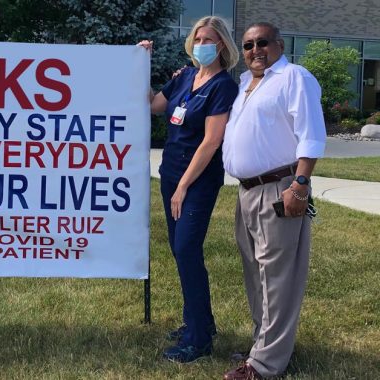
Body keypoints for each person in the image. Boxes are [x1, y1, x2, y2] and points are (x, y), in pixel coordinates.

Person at [221, 22, 326, 380]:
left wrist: (300, 185)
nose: (255, 50)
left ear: (278, 44)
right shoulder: (245, 84)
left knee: (278, 276)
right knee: (256, 272)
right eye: (248, 45)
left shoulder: (293, 77)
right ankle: (263, 345)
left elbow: (310, 133)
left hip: (279, 187)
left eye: (262, 42)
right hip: (246, 190)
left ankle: (265, 366)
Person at [139, 15, 239, 363]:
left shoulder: (223, 86)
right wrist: (142, 64)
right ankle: (199, 322)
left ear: (222, 44)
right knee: (181, 252)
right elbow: (153, 106)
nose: (201, 45)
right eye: (197, 39)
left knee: (187, 250)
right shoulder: (185, 78)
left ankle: (198, 340)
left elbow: (212, 141)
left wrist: (183, 187)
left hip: (196, 182)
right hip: (171, 175)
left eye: (208, 39)